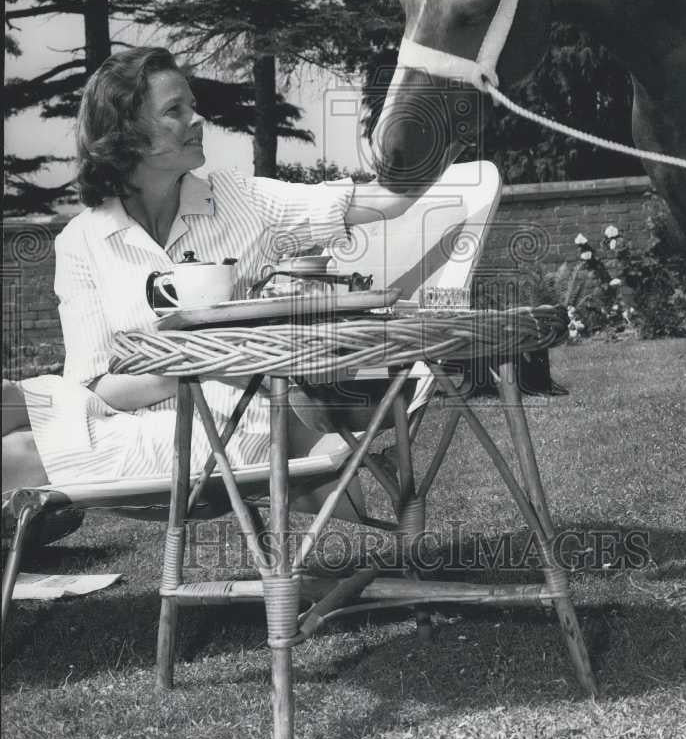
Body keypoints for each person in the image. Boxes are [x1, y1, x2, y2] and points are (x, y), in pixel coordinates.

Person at [1, 47, 417, 504]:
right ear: (126, 135)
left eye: (192, 105)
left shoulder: (241, 200)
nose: (198, 120)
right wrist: (193, 367)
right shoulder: (82, 240)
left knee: (15, 454)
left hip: (228, 421)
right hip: (120, 418)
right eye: (174, 111)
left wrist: (436, 127)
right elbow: (97, 385)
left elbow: (385, 200)